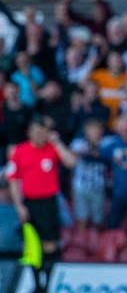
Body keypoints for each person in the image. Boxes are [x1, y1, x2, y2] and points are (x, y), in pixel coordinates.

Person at [6, 118, 76, 293]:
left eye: (42, 131)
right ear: (29, 133)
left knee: (50, 244)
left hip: (49, 203)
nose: (39, 135)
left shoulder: (52, 148)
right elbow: (14, 180)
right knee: (32, 246)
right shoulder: (20, 151)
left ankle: (48, 282)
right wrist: (19, 205)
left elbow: (71, 162)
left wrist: (57, 142)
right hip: (30, 203)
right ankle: (37, 285)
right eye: (36, 132)